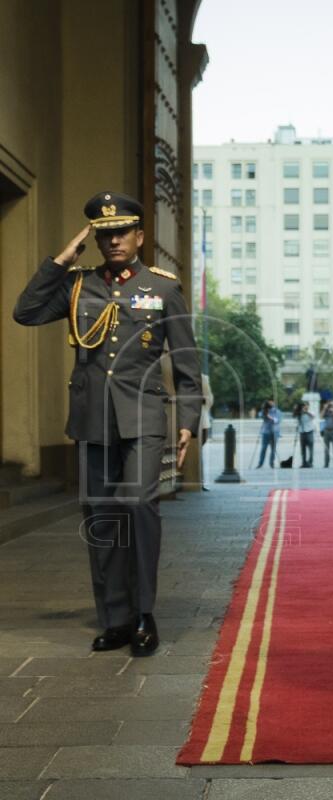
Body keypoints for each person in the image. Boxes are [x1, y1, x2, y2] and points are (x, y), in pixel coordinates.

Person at [12, 191, 201, 656]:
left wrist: (190, 421)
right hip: (93, 418)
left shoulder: (162, 288)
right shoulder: (78, 286)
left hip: (143, 417)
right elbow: (26, 311)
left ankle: (143, 614)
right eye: (105, 233)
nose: (114, 240)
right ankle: (115, 619)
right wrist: (60, 260)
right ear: (95, 238)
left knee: (138, 506)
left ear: (139, 236)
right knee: (102, 518)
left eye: (122, 232)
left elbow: (185, 360)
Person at [256, 400, 281, 468]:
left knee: (273, 449)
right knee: (263, 448)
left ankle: (271, 463)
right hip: (265, 432)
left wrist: (270, 417)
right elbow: (260, 415)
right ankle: (260, 463)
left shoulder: (277, 411)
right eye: (269, 403)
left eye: (272, 402)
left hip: (274, 432)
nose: (271, 403)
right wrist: (264, 412)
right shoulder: (265, 410)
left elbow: (277, 420)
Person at [320, 400, 333, 467]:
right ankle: (326, 464)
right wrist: (324, 408)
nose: (331, 406)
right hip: (326, 431)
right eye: (330, 404)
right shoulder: (326, 411)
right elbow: (321, 416)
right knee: (326, 449)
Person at [296, 402, 316, 468]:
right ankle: (304, 463)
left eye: (306, 406)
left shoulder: (311, 412)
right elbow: (295, 416)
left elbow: (313, 416)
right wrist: (298, 410)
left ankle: (310, 462)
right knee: (303, 449)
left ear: (308, 406)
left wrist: (306, 412)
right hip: (302, 433)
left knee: (311, 449)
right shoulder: (300, 413)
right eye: (304, 406)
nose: (305, 407)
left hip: (309, 432)